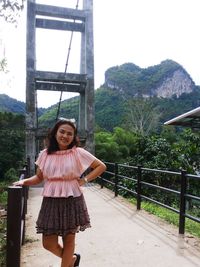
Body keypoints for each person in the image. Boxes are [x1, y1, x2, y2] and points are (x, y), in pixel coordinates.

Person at [13, 119, 106, 267]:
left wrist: (85, 179)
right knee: (48, 243)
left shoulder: (78, 153)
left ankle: (67, 263)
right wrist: (24, 182)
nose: (65, 136)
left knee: (69, 240)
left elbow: (101, 166)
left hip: (72, 198)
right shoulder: (45, 154)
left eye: (70, 133)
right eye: (62, 131)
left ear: (73, 137)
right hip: (51, 200)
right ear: (55, 133)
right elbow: (39, 177)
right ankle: (72, 260)